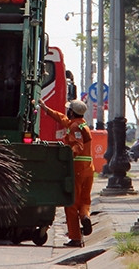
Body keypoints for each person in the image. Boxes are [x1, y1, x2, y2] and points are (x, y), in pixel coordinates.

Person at [38, 98, 94, 247]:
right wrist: (46, 108)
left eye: (68, 110)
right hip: (89, 168)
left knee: (71, 203)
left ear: (72, 112)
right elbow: (61, 118)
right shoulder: (81, 124)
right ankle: (85, 216)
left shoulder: (75, 128)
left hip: (78, 169)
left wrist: (67, 152)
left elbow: (77, 145)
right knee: (85, 200)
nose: (66, 112)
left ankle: (75, 238)